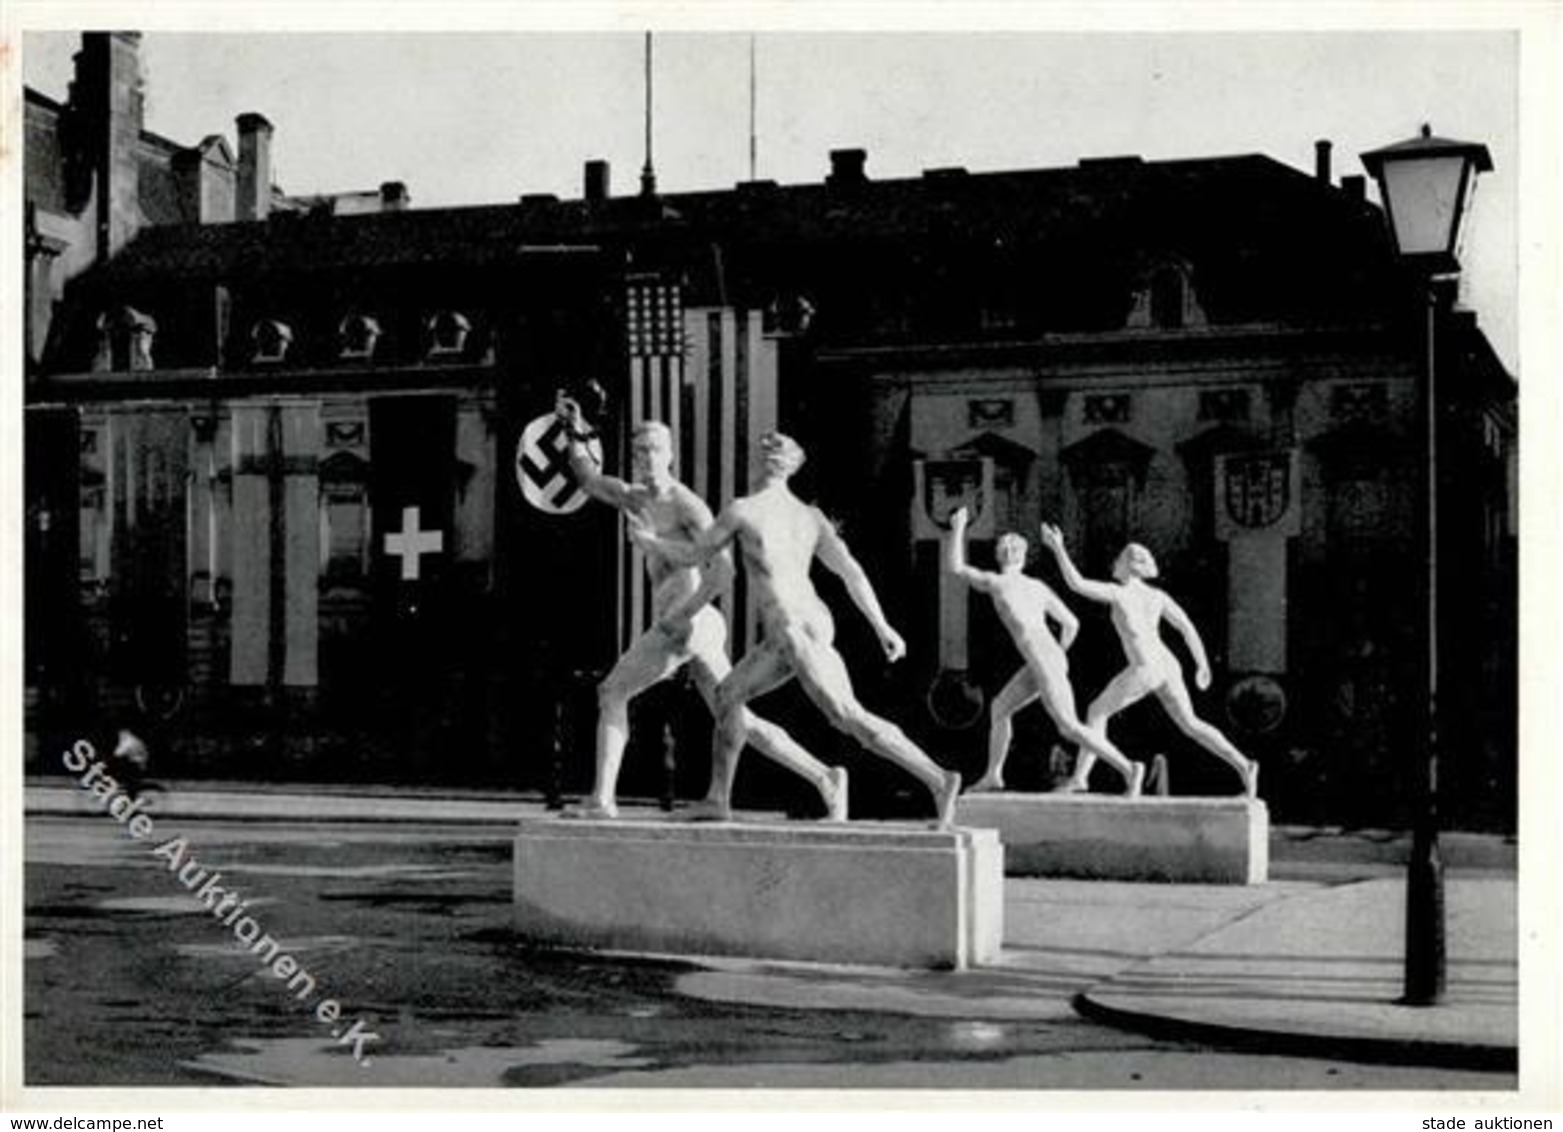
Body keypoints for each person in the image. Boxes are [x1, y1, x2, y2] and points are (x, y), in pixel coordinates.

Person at [630, 431, 962, 825]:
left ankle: (939, 779)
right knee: (727, 695)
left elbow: (694, 554)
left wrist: (649, 542)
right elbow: (850, 573)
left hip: (791, 627)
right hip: (807, 624)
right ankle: (719, 799)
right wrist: (882, 626)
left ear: (762, 464)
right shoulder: (809, 516)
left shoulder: (744, 509)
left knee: (847, 715)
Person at [553, 394, 846, 821]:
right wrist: (575, 431)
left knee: (612, 691)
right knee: (733, 715)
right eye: (637, 451)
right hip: (698, 627)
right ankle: (824, 777)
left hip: (691, 622)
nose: (644, 457)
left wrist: (682, 615)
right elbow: (589, 478)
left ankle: (602, 799)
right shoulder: (635, 498)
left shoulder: (687, 506)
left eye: (653, 449)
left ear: (669, 455)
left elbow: (721, 573)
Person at [1038, 523, 1259, 798]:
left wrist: (1058, 547)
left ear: (1128, 565)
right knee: (1191, 723)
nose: (1114, 564)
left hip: (1146, 666)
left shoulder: (1119, 593)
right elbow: (1186, 627)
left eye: (1118, 560)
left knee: (1096, 712)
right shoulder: (1157, 596)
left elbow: (1076, 584)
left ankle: (1082, 777)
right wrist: (1202, 663)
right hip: (1168, 663)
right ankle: (1244, 765)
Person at [945, 506, 1143, 796]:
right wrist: (1057, 653)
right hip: (1044, 656)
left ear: (1000, 556)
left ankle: (1128, 768)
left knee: (1068, 725)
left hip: (1042, 657)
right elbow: (1071, 623)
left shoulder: (998, 583)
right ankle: (993, 775)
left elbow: (956, 568)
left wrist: (958, 528)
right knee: (1000, 708)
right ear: (1022, 558)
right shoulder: (1037, 587)